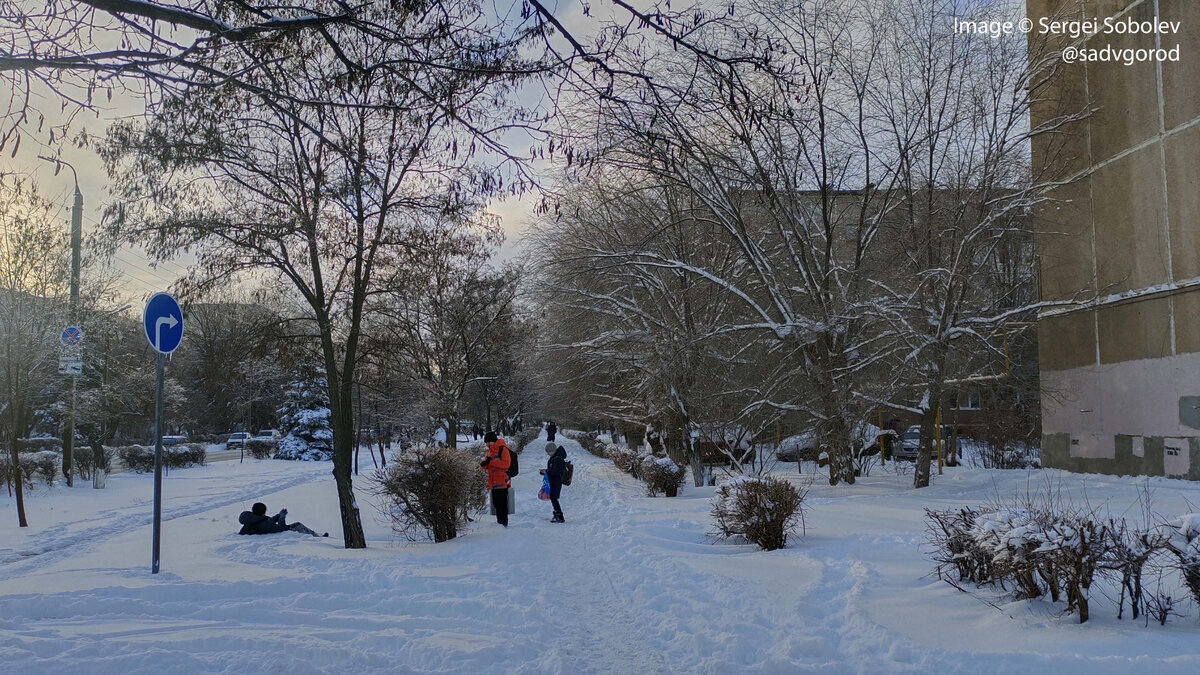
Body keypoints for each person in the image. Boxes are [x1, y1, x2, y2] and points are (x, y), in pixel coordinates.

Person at [238, 502, 327, 537]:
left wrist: (278, 516)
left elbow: (268, 521)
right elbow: (281, 528)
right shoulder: (263, 523)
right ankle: (317, 537)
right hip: (274, 531)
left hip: (262, 529)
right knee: (298, 525)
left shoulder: (252, 518)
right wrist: (282, 517)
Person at [480, 431, 511, 527]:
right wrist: (485, 463)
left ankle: (503, 523)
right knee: (496, 504)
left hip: (502, 482)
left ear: (493, 441)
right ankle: (500, 523)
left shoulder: (503, 449)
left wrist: (492, 462)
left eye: (488, 442)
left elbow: (506, 464)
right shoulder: (490, 451)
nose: (487, 444)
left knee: (502, 505)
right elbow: (486, 465)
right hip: (493, 482)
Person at [539, 442, 566, 523]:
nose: (548, 454)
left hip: (556, 481)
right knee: (553, 498)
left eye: (548, 452)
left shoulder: (558, 459)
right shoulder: (555, 457)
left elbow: (556, 472)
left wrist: (546, 471)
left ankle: (559, 516)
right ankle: (557, 514)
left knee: (554, 498)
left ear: (553, 450)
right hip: (553, 481)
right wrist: (545, 472)